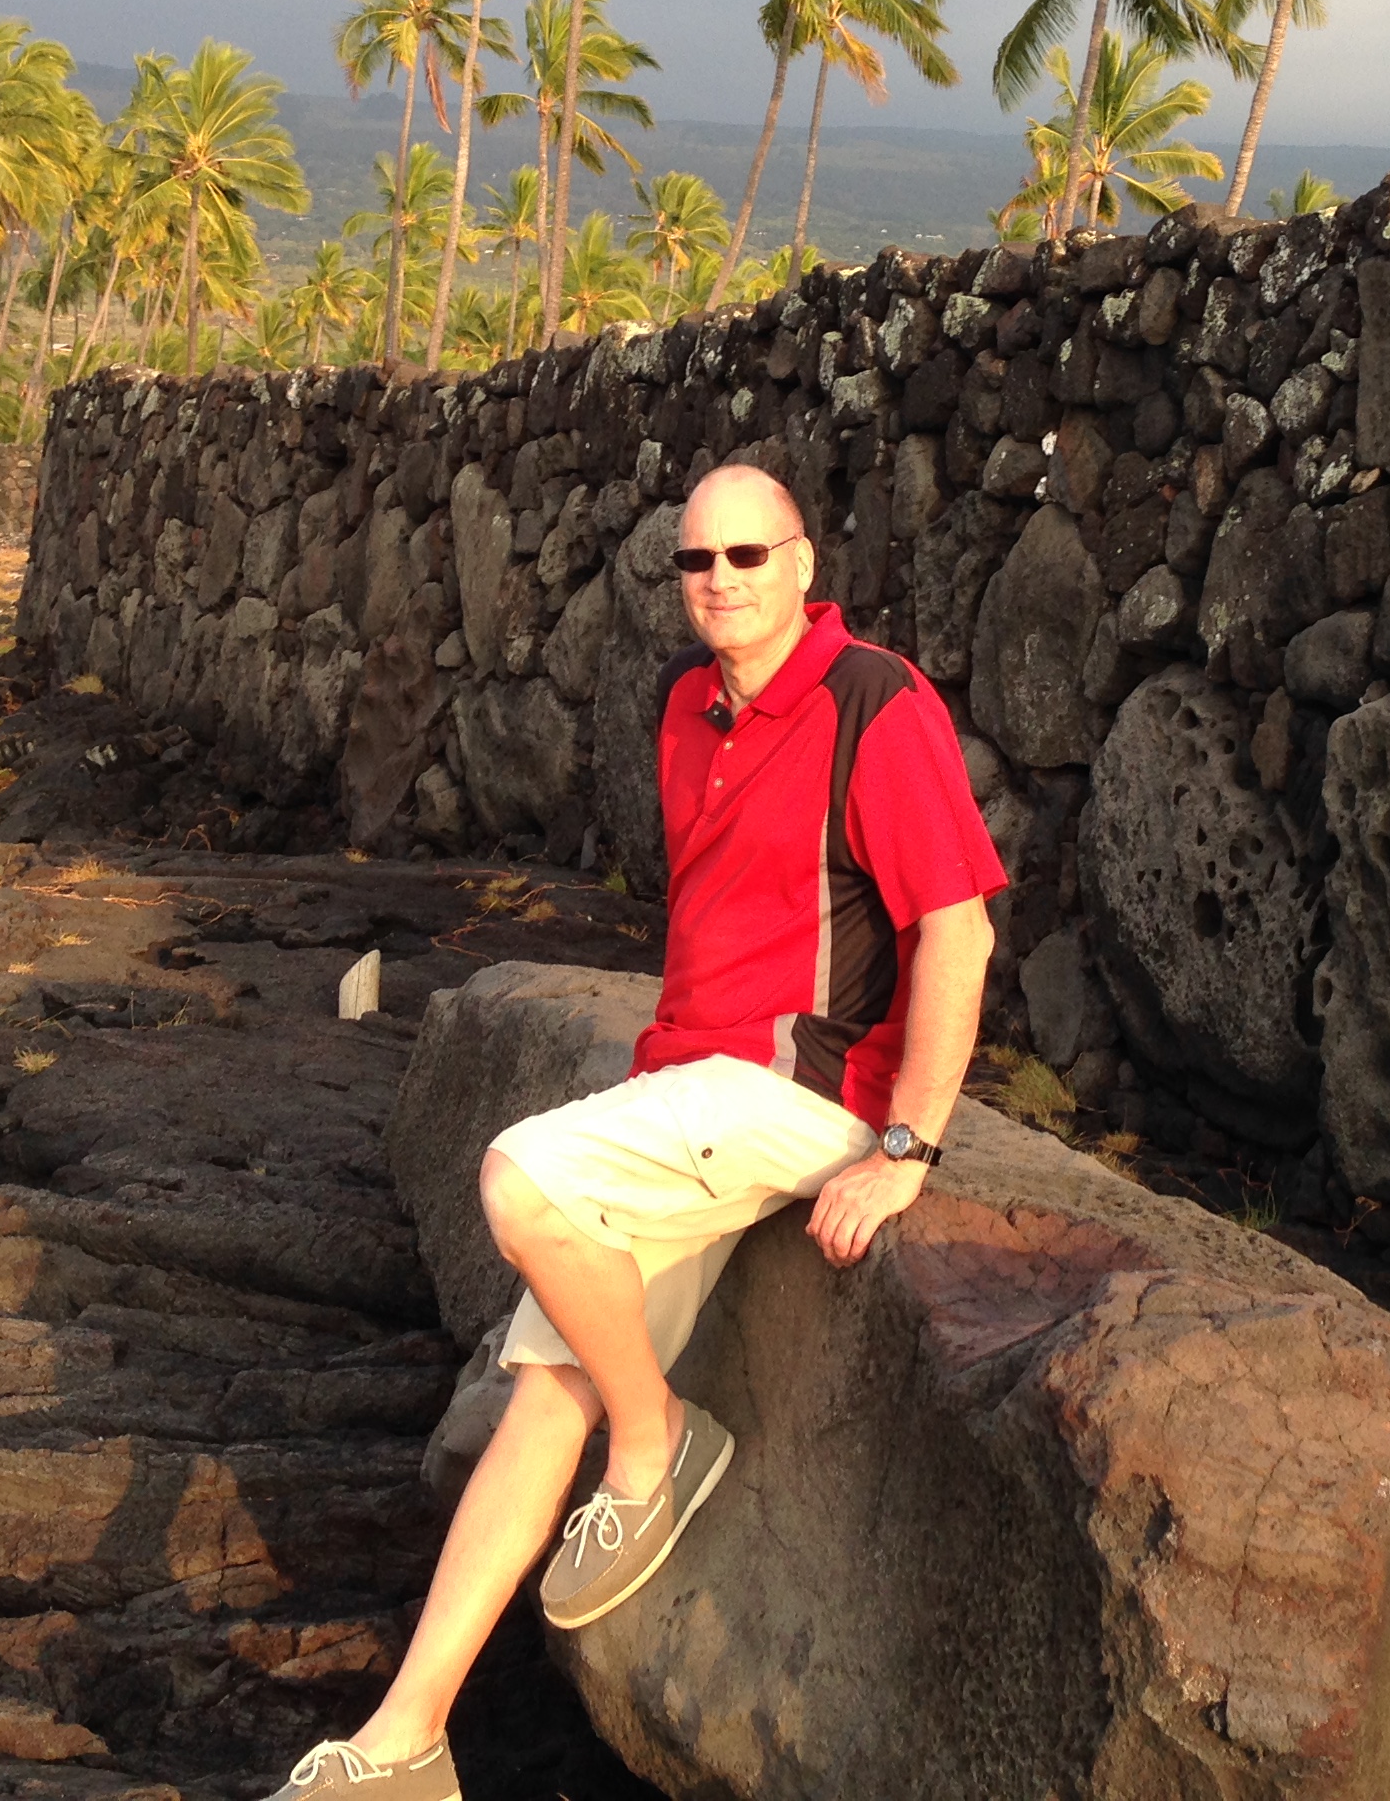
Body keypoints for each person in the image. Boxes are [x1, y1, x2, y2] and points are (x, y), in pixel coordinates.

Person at [266, 462, 1006, 1800]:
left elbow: (956, 925)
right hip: (688, 1090)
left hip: (802, 1096)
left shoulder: (873, 704)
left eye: (745, 555)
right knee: (546, 1388)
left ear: (801, 564)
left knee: (518, 1178)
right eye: (695, 562)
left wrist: (908, 1152)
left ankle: (661, 1444)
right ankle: (404, 1741)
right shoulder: (682, 708)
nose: (718, 580)